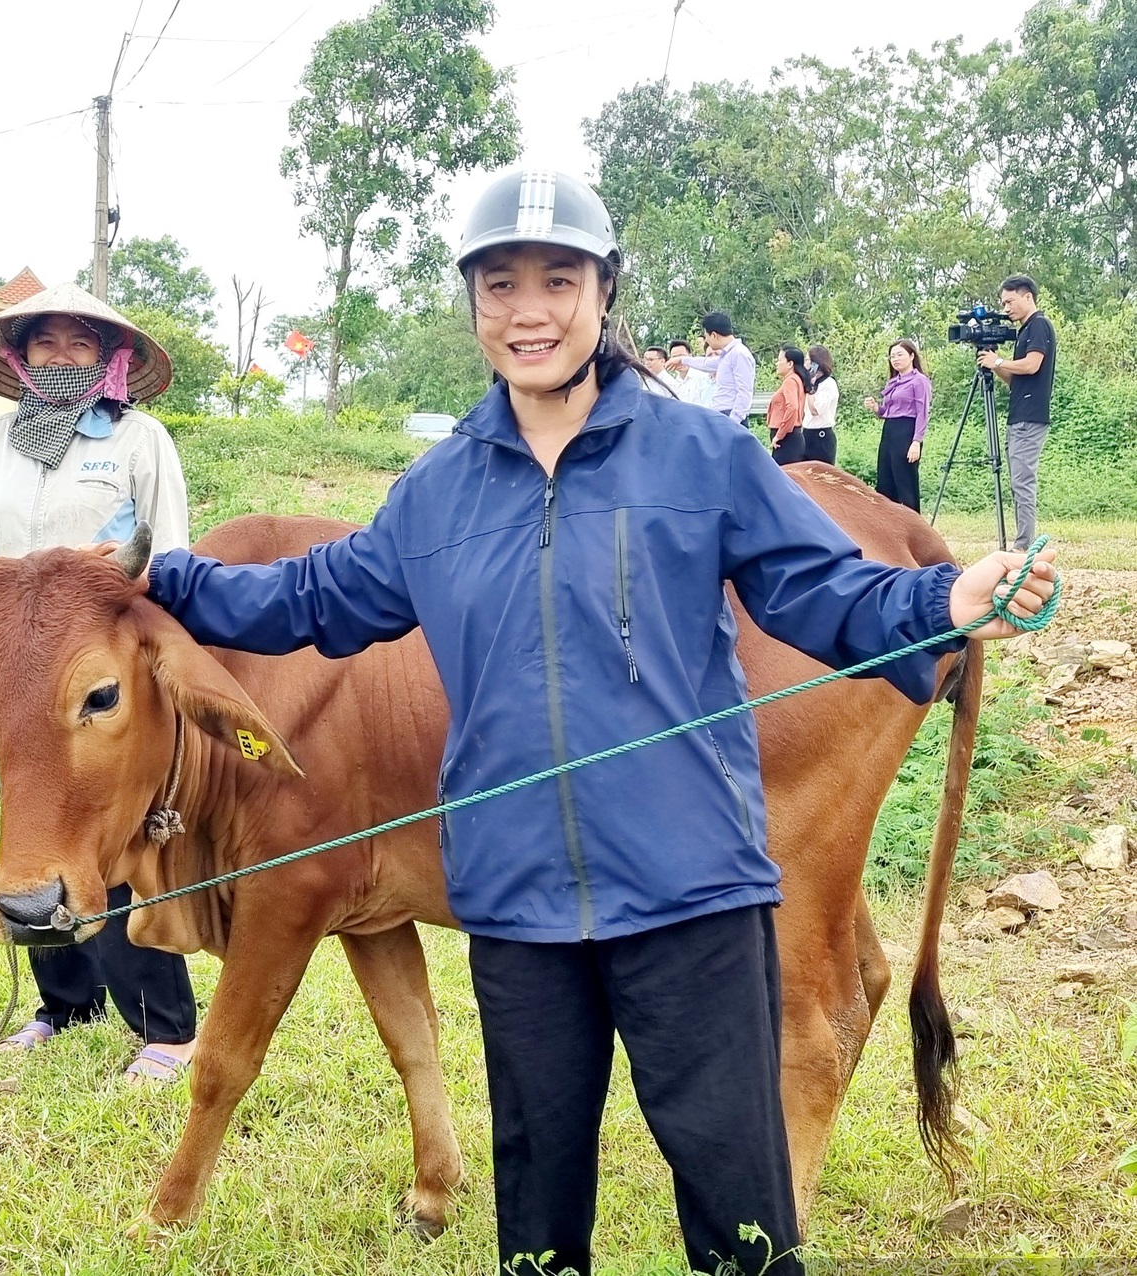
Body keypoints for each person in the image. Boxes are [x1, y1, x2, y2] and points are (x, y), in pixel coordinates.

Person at [138, 169, 1055, 1276]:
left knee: (739, 1216)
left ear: (603, 292)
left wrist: (942, 605)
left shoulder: (701, 457)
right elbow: (312, 600)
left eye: (557, 280)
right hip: (517, 911)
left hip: (692, 893)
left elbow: (824, 596)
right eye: (500, 283)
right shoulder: (436, 492)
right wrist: (165, 580)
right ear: (473, 303)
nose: (528, 310)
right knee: (537, 1218)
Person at [0, 282, 199, 1085]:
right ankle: (63, 1007)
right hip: (20, 677)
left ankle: (166, 1029)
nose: (61, 356)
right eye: (44, 343)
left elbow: (172, 557)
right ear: (20, 356)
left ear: (108, 358)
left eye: (80, 344)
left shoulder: (142, 440)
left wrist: (173, 671)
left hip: (102, 679)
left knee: (112, 838)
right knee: (32, 834)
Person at [978, 275, 1056, 550]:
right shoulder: (1025, 330)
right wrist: (994, 363)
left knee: (1023, 483)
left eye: (1010, 301)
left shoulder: (1039, 325)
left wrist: (999, 360)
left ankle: (1024, 545)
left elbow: (1033, 365)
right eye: (1003, 303)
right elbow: (1016, 379)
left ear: (1027, 297)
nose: (1006, 308)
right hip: (1019, 415)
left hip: (1029, 418)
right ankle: (1022, 541)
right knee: (1018, 482)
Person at [863, 339, 932, 513]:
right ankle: (887, 525)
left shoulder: (919, 381)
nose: (895, 359)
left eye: (900, 354)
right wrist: (875, 407)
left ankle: (913, 527)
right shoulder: (893, 382)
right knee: (885, 479)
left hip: (906, 431)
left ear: (911, 355)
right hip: (889, 430)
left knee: (905, 481)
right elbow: (886, 411)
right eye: (892, 356)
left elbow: (922, 413)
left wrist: (916, 442)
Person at [668, 311, 755, 425]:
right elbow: (707, 363)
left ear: (714, 335)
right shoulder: (727, 355)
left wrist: (733, 422)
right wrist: (682, 359)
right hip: (722, 414)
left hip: (730, 416)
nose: (706, 341)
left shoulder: (739, 354)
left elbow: (744, 392)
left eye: (706, 336)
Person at [767, 345, 812, 465]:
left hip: (787, 438)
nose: (777, 363)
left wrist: (779, 435)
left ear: (790, 364)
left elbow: (792, 408)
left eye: (780, 360)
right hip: (791, 436)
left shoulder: (790, 381)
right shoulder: (796, 380)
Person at [803, 344, 839, 464]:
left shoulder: (828, 384)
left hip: (821, 437)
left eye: (807, 360)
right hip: (807, 434)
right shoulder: (812, 383)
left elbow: (815, 410)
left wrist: (810, 388)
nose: (805, 364)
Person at [667, 337, 715, 408]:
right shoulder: (674, 382)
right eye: (674, 357)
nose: (678, 361)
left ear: (690, 356)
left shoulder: (703, 376)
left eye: (681, 356)